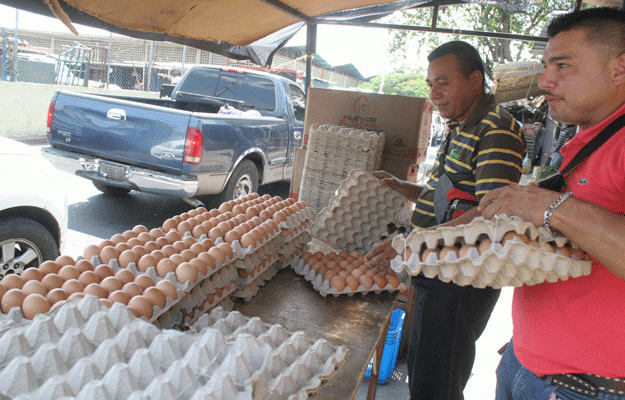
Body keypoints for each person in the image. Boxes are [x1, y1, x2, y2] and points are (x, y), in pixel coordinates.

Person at [477, 8, 625, 400]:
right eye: (545, 65)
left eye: (563, 65)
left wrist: (552, 207)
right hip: (528, 364)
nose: (545, 80)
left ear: (620, 69)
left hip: (588, 386)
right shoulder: (590, 140)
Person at [367, 41, 526, 399]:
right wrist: (400, 187)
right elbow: (450, 197)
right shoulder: (461, 125)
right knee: (426, 370)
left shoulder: (495, 129)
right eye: (430, 85)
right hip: (437, 267)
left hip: (461, 275)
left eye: (444, 83)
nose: (434, 94)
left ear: (474, 80)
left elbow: (492, 211)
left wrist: (413, 243)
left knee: (436, 380)